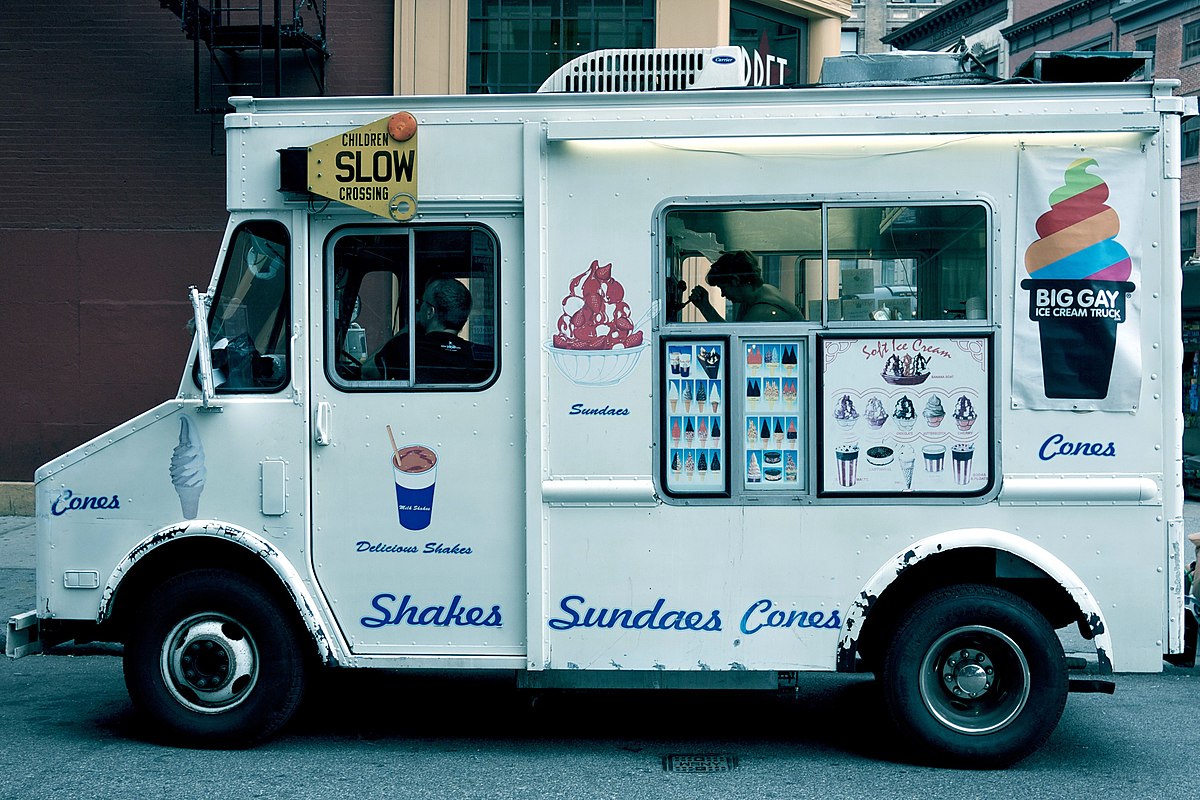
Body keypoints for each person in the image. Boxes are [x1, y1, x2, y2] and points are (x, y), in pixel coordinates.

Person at [371, 277, 478, 380]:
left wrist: (409, 328)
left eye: (422, 303)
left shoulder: (404, 346)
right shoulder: (479, 355)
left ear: (430, 312)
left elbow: (366, 373)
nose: (419, 308)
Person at [687, 250, 804, 322]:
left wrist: (706, 308)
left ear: (735, 281)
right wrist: (705, 306)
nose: (723, 295)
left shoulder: (762, 311)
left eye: (723, 288)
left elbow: (734, 344)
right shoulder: (762, 292)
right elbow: (732, 334)